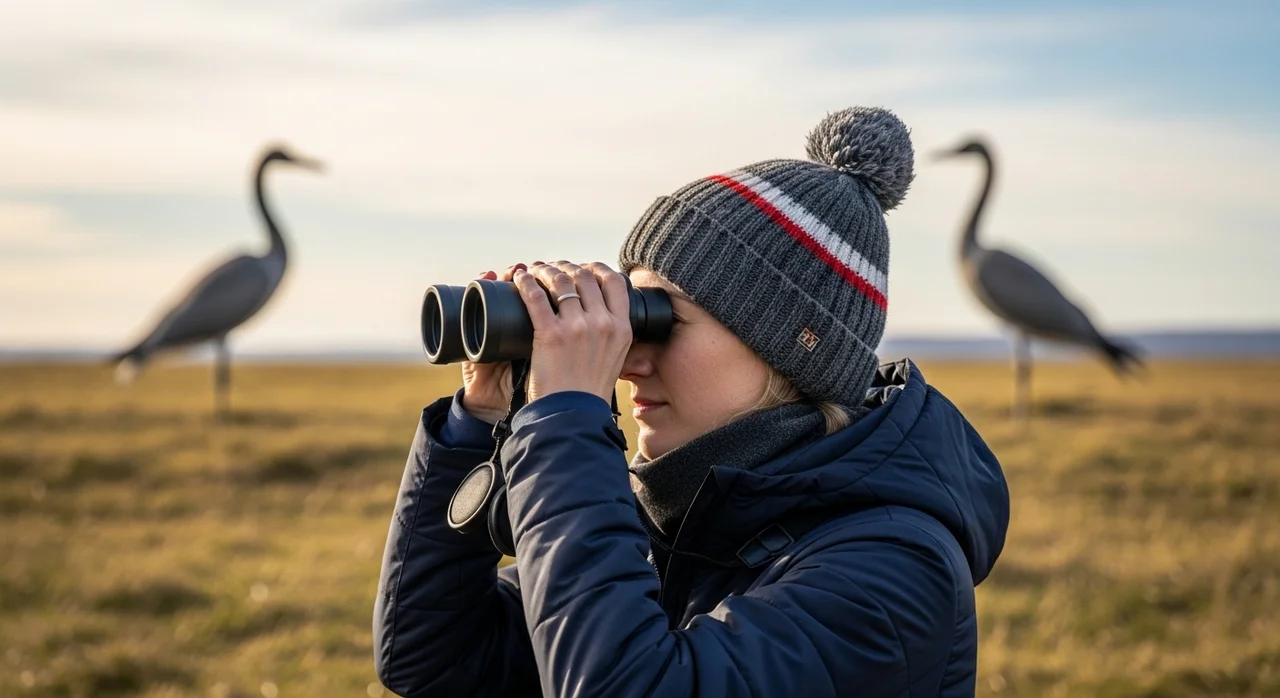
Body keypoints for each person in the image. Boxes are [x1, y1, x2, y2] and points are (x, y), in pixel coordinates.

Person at [373, 107, 1010, 697]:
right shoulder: (686, 521)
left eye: (659, 322)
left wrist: (566, 421)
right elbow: (432, 659)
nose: (626, 359)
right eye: (629, 316)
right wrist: (478, 418)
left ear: (789, 352)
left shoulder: (892, 572)